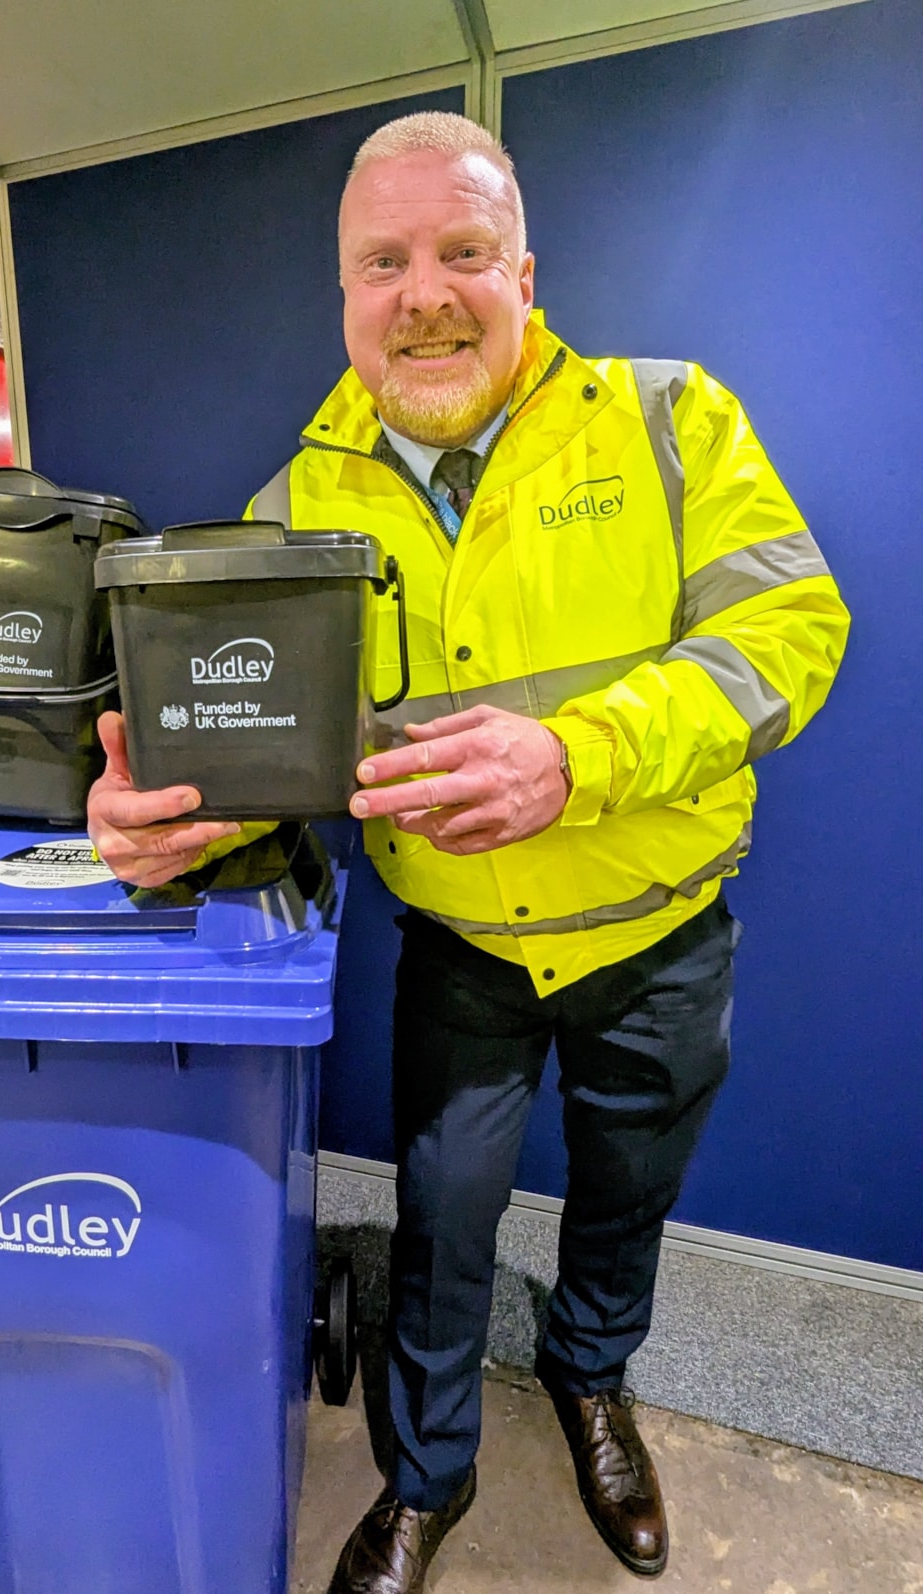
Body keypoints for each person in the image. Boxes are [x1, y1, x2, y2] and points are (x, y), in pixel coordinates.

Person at [86, 112, 849, 1589]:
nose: (424, 294)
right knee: (439, 1224)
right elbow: (264, 762)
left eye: (464, 252)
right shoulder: (294, 504)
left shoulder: (669, 419)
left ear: (525, 273)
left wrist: (577, 757)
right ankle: (426, 1478)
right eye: (384, 261)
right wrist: (164, 832)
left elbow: (790, 630)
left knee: (625, 1195)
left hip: (662, 934)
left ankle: (591, 1379)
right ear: (345, 291)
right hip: (459, 950)